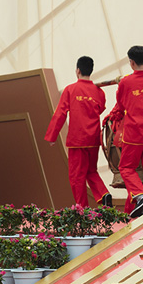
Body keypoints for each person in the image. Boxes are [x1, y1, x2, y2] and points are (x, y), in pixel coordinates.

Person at [45, 56, 112, 208]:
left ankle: (82, 210)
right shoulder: (99, 92)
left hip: (77, 139)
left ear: (78, 70)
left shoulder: (70, 90)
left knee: (77, 177)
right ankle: (103, 194)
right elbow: (100, 109)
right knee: (91, 171)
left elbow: (60, 113)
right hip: (93, 139)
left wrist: (52, 136)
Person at [106, 46, 143, 212]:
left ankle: (139, 196)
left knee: (126, 168)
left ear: (131, 62)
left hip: (134, 134)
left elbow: (121, 105)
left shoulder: (126, 82)